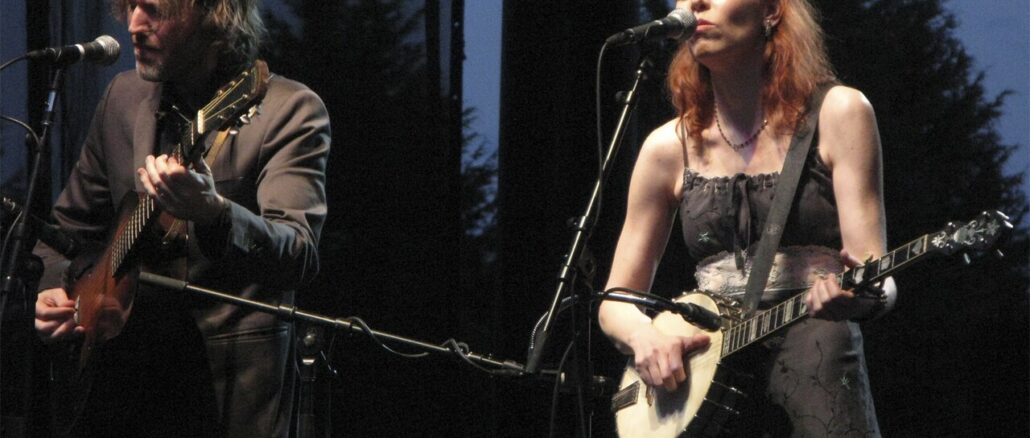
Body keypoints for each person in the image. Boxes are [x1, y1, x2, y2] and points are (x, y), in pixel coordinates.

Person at [598, 0, 897, 435]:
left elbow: (881, 277)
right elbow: (616, 299)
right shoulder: (667, 148)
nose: (694, 3)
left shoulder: (840, 112)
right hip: (711, 384)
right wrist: (646, 337)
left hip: (817, 366)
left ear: (772, 11)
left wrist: (865, 296)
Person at [32, 0, 330, 436]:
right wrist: (54, 292)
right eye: (131, 6)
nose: (134, 25)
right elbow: (62, 233)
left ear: (215, 16)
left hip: (227, 392)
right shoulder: (121, 98)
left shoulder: (290, 110)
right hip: (119, 388)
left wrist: (214, 213)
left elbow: (298, 254)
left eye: (153, 10)